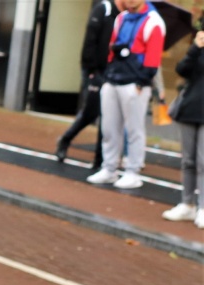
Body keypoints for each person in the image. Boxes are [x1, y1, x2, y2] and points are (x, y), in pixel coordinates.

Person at [87, 0, 164, 189]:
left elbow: (153, 58)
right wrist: (109, 72)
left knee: (134, 130)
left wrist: (141, 82)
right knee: (109, 128)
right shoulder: (121, 17)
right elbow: (113, 46)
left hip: (134, 83)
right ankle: (109, 168)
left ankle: (133, 172)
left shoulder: (154, 21)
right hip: (113, 79)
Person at [56, 0, 123, 166]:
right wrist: (92, 71)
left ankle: (99, 159)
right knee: (91, 112)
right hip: (95, 71)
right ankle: (65, 139)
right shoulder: (103, 10)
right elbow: (90, 40)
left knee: (107, 115)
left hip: (112, 72)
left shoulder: (127, 16)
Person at [162, 27, 204, 227]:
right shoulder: (198, 47)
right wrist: (195, 47)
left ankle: (203, 208)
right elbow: (182, 70)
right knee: (188, 160)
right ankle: (187, 205)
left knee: (203, 161)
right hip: (189, 108)